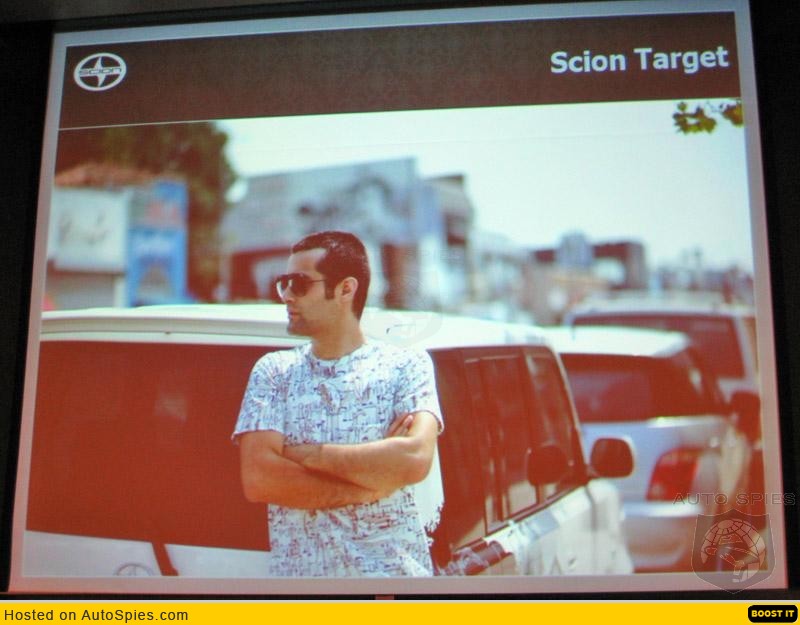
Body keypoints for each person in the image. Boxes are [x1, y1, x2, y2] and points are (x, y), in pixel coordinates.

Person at [232, 230, 443, 577]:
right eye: (283, 284)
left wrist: (304, 454)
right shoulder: (274, 371)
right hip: (304, 596)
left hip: (391, 590)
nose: (287, 296)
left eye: (299, 284)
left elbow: (414, 459)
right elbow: (260, 479)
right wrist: (372, 485)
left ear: (346, 289)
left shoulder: (406, 366)